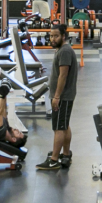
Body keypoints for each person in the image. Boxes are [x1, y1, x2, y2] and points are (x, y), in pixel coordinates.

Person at [38, 23, 77, 171]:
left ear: (63, 36)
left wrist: (56, 97)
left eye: (56, 36)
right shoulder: (61, 50)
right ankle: (65, 154)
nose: (52, 39)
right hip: (64, 95)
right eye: (51, 36)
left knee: (59, 128)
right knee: (64, 125)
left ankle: (54, 160)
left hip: (63, 96)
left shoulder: (65, 51)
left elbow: (63, 75)